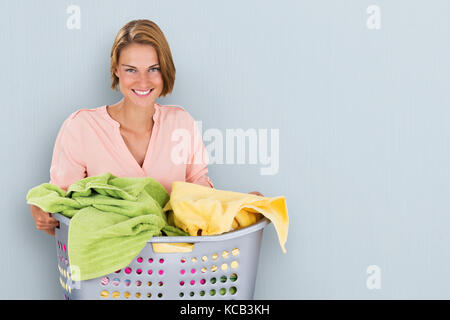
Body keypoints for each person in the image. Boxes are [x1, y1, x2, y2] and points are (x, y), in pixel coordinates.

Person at [29, 19, 263, 236]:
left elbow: (199, 200)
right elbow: (64, 206)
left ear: (165, 70)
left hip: (178, 269)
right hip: (106, 273)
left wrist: (241, 204)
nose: (143, 81)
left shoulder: (181, 123)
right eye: (131, 69)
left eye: (153, 68)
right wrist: (43, 211)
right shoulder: (81, 128)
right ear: (116, 70)